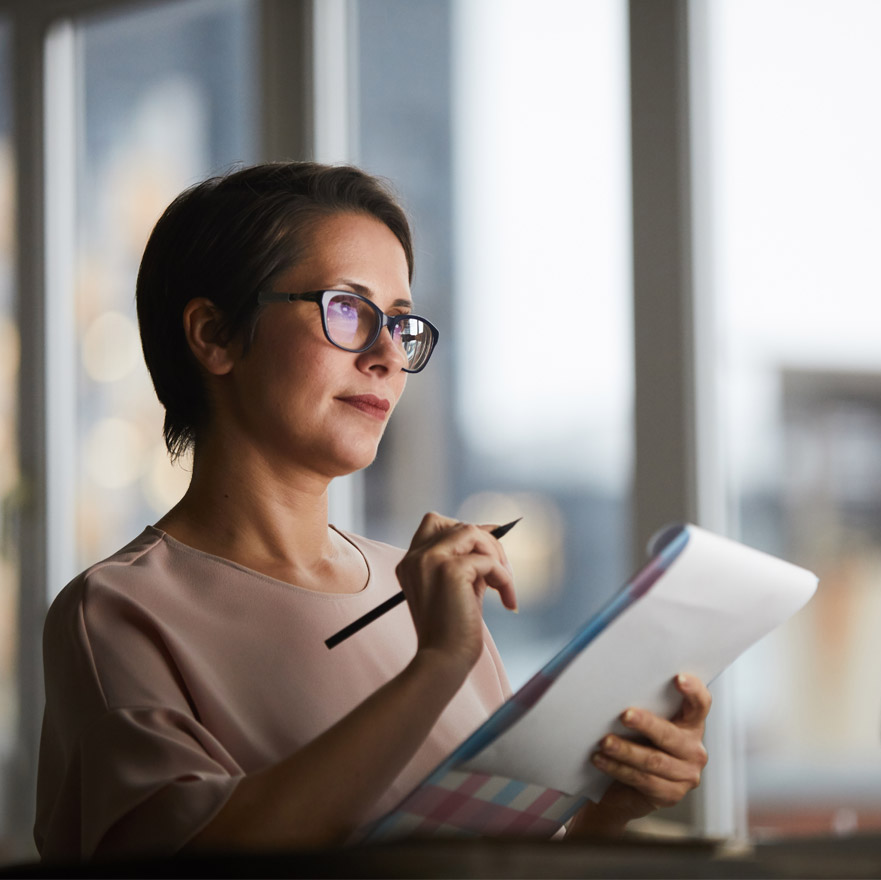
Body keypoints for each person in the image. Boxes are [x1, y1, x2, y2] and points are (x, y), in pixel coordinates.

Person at [34, 162, 711, 861]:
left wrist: (609, 812)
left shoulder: (420, 589)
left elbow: (494, 860)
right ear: (214, 335)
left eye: (400, 322)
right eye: (348, 310)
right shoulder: (117, 613)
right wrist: (438, 664)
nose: (389, 354)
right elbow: (200, 858)